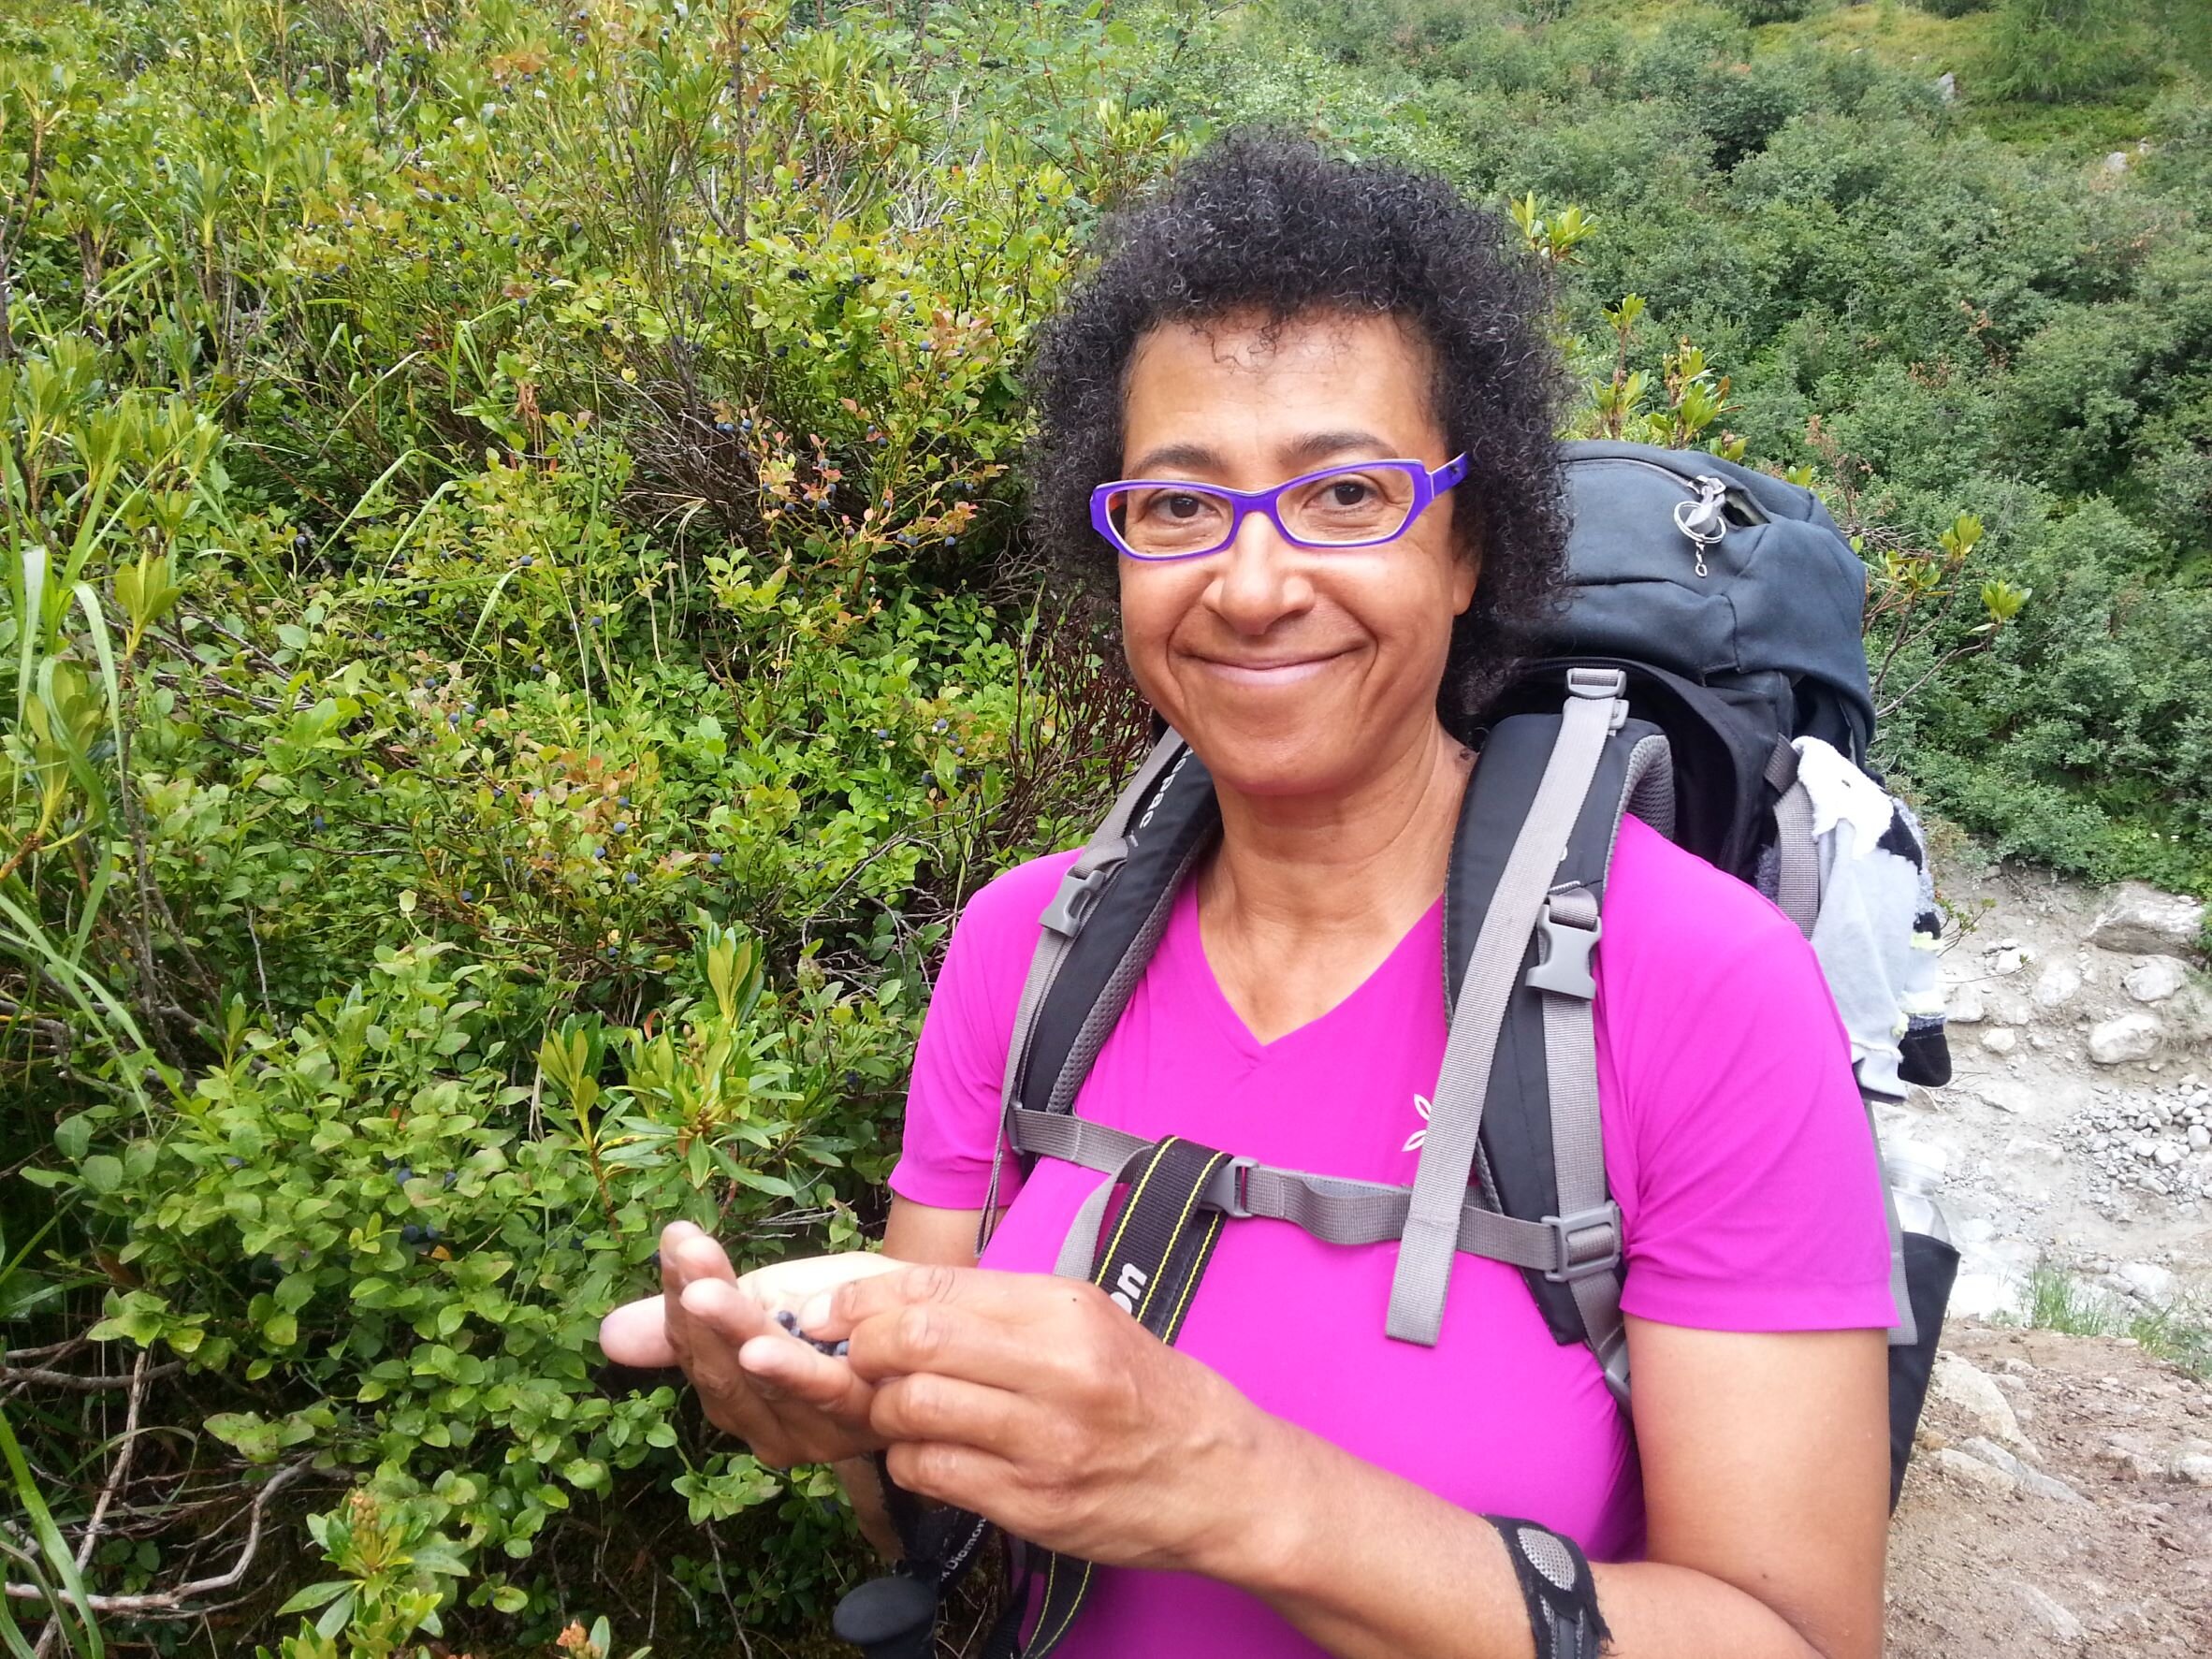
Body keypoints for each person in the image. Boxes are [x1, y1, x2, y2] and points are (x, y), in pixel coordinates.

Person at [602, 131, 1897, 1659]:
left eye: (1347, 492)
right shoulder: (1028, 946)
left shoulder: (1700, 986)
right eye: (1176, 505)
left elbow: (1795, 1638)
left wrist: (1233, 1485)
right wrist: (848, 1419)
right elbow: (936, 1533)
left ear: (1472, 542)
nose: (1256, 580)